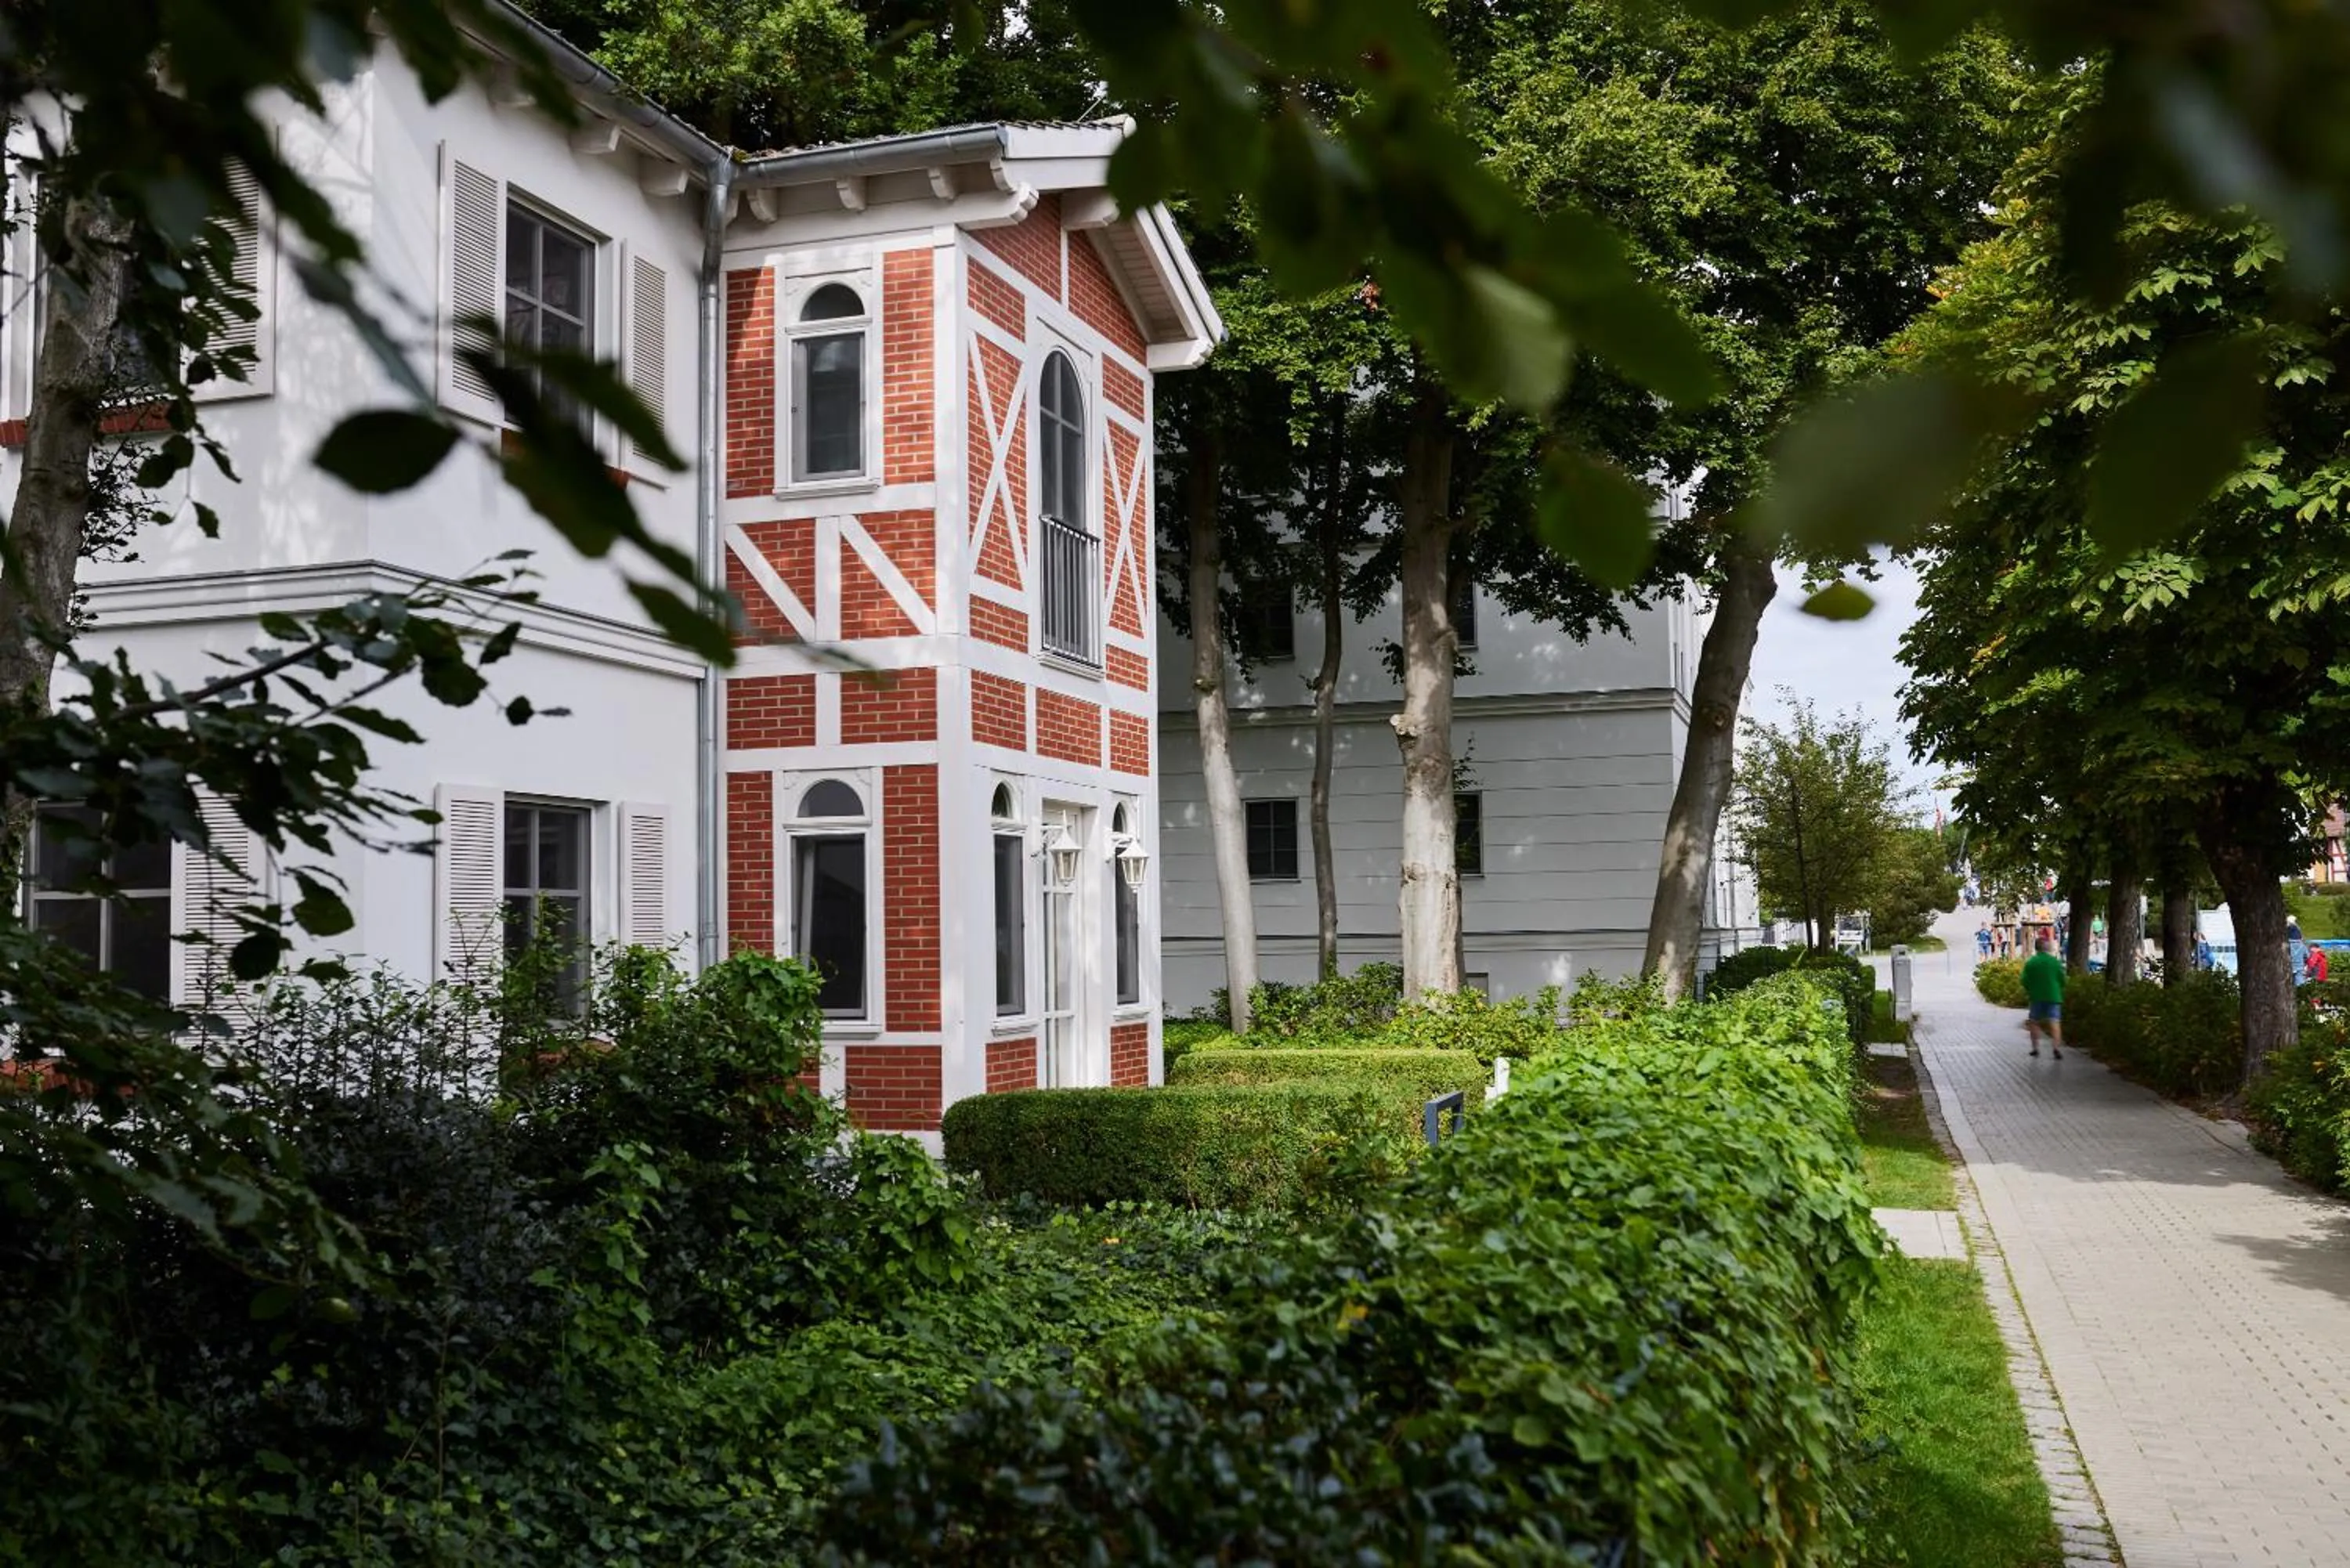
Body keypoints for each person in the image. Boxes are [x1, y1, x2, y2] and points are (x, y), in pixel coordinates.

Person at [2021, 936, 2066, 1060]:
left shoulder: (2031, 962)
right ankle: (2056, 1048)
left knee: (2034, 1022)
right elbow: (2062, 980)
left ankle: (2035, 1049)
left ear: (2036, 948)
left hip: (2036, 996)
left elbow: (2024, 980)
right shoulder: (2055, 962)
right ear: (2048, 948)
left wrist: (2030, 989)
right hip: (2054, 996)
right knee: (2055, 1022)